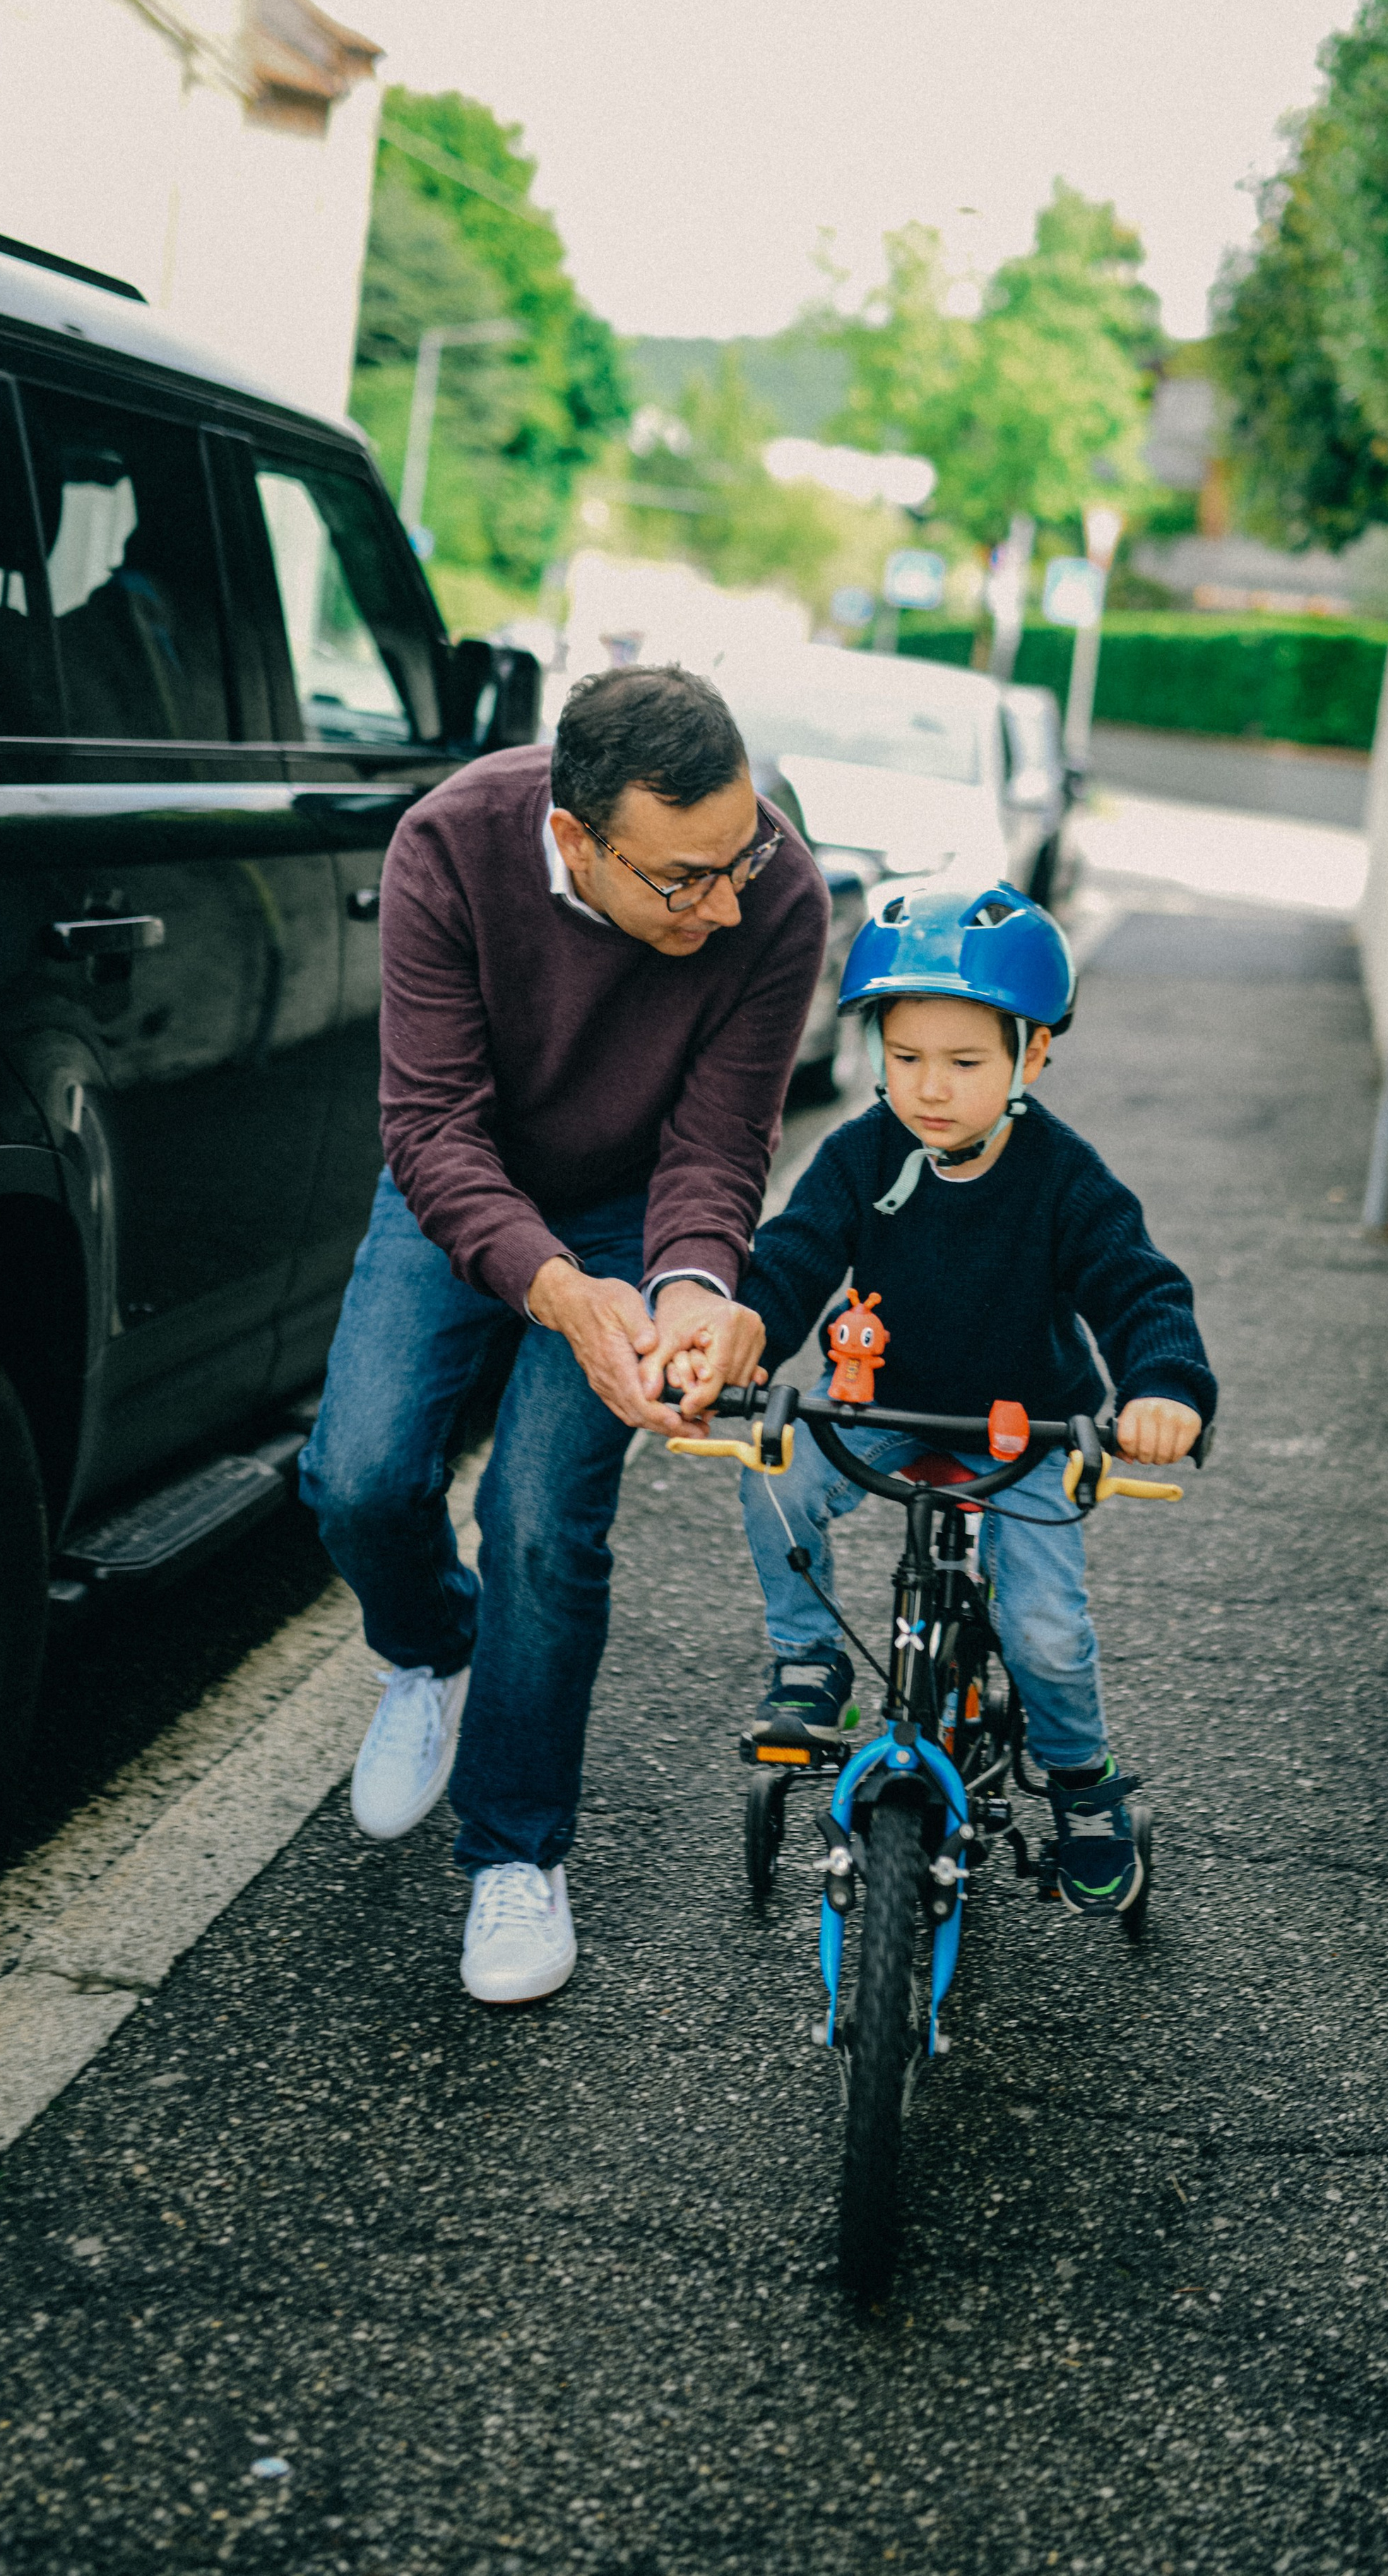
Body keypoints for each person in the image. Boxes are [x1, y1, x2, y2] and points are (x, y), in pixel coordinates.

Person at [299, 667, 827, 2001]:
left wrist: (696, 1290)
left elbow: (719, 1148)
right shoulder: (449, 843)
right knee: (358, 1478)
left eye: (741, 853)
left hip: (636, 1209)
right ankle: (429, 1651)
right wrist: (554, 1290)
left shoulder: (778, 895)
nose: (725, 899)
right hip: (463, 1178)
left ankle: (514, 1856)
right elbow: (427, 1129)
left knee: (543, 1521)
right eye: (685, 879)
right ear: (577, 837)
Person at [677, 880, 1214, 1917]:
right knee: (773, 1472)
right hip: (885, 1406)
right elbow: (793, 1256)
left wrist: (1163, 1389)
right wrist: (747, 1331)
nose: (929, 1088)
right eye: (905, 1055)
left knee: (1046, 1630)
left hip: (1029, 1428)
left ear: (1032, 1057)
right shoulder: (861, 1153)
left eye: (965, 1063)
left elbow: (1138, 1285)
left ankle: (1080, 1785)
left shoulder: (1065, 1179)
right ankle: (808, 1660)